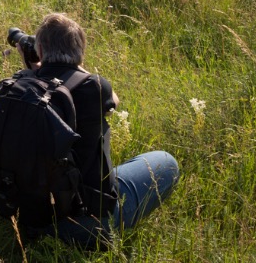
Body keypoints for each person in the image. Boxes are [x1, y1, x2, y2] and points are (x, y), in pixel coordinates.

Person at [12, 13, 179, 248]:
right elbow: (114, 101)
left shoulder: (17, 86)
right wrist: (74, 68)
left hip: (26, 217)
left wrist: (34, 70)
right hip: (85, 225)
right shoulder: (94, 87)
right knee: (166, 162)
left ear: (39, 50)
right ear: (81, 52)